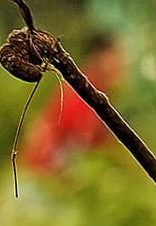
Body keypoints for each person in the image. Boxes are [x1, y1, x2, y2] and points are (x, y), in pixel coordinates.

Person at [21, 32, 126, 177]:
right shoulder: (85, 92)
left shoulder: (94, 88)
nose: (121, 65)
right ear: (99, 57)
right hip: (46, 173)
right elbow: (81, 146)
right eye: (115, 57)